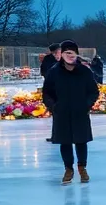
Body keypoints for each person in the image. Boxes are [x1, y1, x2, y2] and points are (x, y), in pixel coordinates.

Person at [42, 41, 99, 184]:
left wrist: (86, 105)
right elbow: (47, 92)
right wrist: (54, 106)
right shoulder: (54, 72)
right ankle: (68, 169)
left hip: (80, 112)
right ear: (62, 54)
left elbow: (93, 91)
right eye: (66, 52)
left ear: (76, 54)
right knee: (65, 142)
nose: (69, 56)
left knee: (81, 141)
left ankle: (82, 167)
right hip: (62, 113)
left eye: (72, 53)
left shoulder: (85, 72)